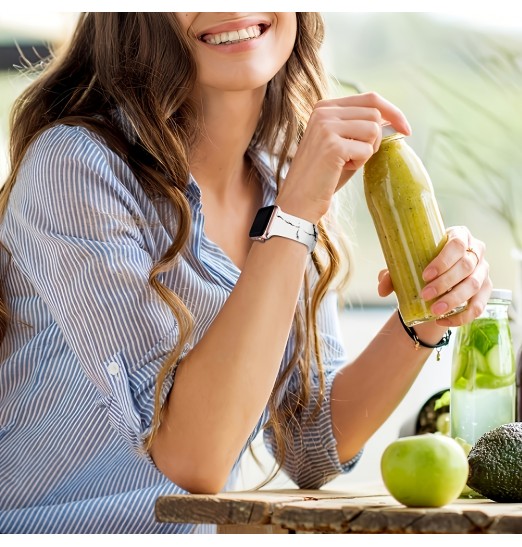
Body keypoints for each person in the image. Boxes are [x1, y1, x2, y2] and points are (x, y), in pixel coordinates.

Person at [0, 13, 491, 533]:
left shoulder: (281, 178)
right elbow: (188, 461)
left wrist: (428, 313)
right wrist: (295, 216)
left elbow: (309, 442)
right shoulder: (76, 166)